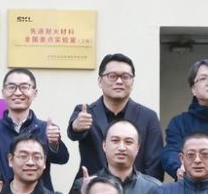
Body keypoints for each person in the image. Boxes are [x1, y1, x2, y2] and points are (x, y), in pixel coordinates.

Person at [70, 53, 167, 182]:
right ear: (100, 81)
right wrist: (76, 126)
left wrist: (147, 190)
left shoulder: (149, 117)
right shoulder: (86, 112)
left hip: (135, 190)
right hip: (92, 188)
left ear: (132, 82)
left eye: (125, 77)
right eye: (112, 76)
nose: (119, 81)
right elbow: (73, 132)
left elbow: (154, 165)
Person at [0, 67, 72, 190]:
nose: (18, 92)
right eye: (11, 87)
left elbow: (62, 159)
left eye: (24, 87)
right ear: (3, 93)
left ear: (35, 93)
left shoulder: (46, 129)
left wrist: (54, 144)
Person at [69, 120, 160, 194]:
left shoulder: (153, 188)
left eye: (128, 142)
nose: (121, 147)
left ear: (137, 148)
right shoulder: (84, 184)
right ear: (104, 145)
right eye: (115, 141)